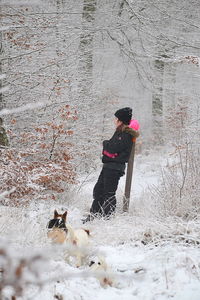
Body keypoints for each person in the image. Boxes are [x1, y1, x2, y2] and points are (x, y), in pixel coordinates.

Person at [82, 107, 139, 223]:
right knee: (98, 191)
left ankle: (107, 219)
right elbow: (110, 149)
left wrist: (106, 145)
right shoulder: (119, 132)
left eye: (116, 119)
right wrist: (108, 148)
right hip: (108, 166)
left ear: (121, 120)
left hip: (114, 168)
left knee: (109, 193)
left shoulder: (125, 134)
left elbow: (112, 148)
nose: (115, 121)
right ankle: (94, 215)